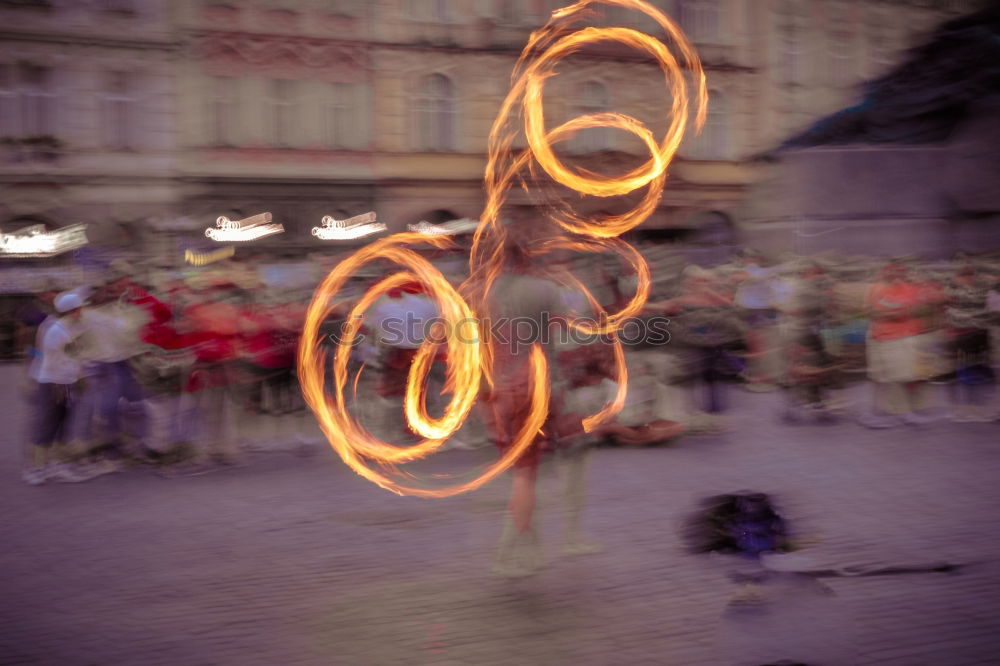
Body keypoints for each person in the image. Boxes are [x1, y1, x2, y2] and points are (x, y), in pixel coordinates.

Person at [22, 290, 102, 484]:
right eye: (79, 308)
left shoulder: (68, 328)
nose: (82, 311)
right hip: (53, 384)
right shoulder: (56, 330)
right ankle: (36, 469)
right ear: (72, 311)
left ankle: (58, 464)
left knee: (63, 426)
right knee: (47, 426)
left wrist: (77, 379)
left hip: (65, 383)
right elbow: (70, 356)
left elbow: (75, 358)